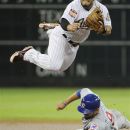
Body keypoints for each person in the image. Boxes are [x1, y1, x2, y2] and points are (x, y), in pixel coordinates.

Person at [10, 0, 112, 72]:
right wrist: (68, 27)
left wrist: (102, 29)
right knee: (54, 65)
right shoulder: (74, 5)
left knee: (62, 68)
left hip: (75, 44)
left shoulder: (102, 8)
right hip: (62, 36)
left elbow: (108, 30)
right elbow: (63, 21)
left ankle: (52, 28)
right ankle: (28, 53)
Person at [57, 88, 130, 130]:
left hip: (113, 124)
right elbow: (82, 91)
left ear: (96, 110)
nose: (85, 113)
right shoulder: (92, 98)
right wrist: (64, 103)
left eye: (87, 111)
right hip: (114, 114)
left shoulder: (97, 124)